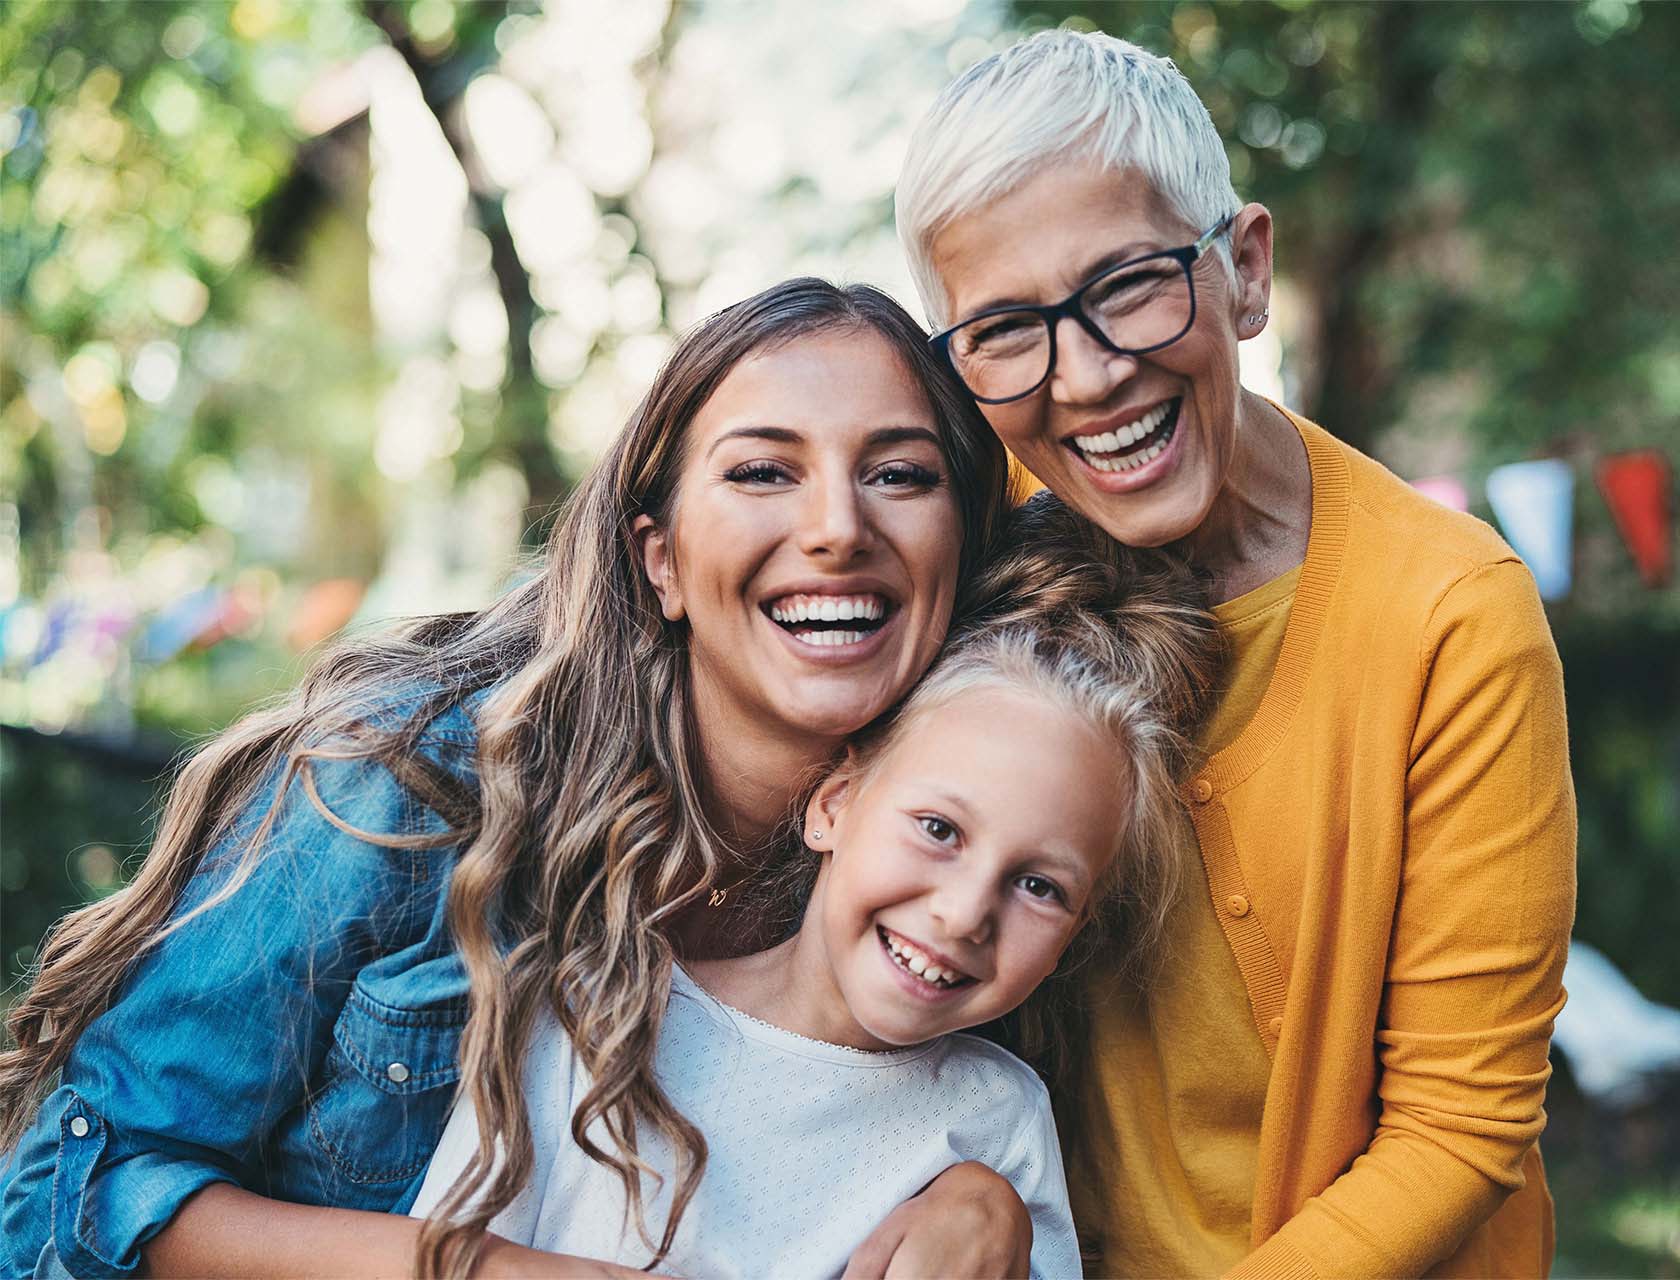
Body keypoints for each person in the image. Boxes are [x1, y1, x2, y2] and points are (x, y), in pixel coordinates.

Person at [0, 279, 1026, 1279]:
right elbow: (73, 1187)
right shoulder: (414, 781)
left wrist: (982, 1192)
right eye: (763, 472)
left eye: (900, 474)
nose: (840, 527)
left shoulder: (969, 862)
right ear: (659, 559)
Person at [895, 30, 1576, 1279]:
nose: (1090, 377)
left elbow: (1459, 1125)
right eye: (1004, 329)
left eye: (1129, 285)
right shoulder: (960, 562)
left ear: (1244, 271)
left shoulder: (1448, 615)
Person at [408, 495, 1218, 1280]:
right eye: (938, 830)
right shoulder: (598, 1013)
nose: (966, 912)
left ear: (1076, 931)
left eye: (1040, 885)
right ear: (834, 805)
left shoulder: (997, 1123)